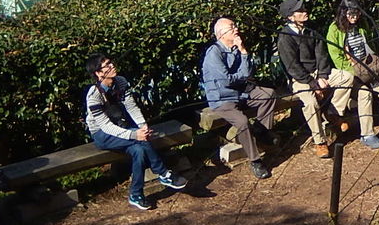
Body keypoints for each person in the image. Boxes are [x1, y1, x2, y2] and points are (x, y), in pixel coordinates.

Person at [83, 54, 186, 211]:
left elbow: (131, 107)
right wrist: (134, 134)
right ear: (98, 73)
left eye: (111, 62)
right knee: (140, 141)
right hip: (102, 134)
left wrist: (142, 126)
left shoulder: (121, 82)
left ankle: (136, 194)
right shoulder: (94, 95)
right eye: (107, 65)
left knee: (139, 150)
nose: (112, 66)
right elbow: (105, 126)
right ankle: (163, 173)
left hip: (121, 127)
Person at [276, 0, 355, 158]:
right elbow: (293, 68)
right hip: (300, 80)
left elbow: (322, 56)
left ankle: (334, 113)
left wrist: (322, 76)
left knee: (346, 77)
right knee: (310, 103)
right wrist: (314, 84)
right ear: (291, 17)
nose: (305, 11)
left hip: (318, 74)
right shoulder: (285, 38)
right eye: (300, 10)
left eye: (304, 9)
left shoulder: (312, 32)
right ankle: (320, 142)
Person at [201, 17, 279, 179]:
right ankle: (255, 161)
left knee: (268, 94)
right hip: (222, 99)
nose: (236, 29)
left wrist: (243, 52)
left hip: (241, 93)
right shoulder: (213, 53)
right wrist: (243, 75)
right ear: (222, 34)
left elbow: (248, 72)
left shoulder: (237, 48)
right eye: (232, 27)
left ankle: (261, 132)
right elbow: (226, 80)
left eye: (235, 25)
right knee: (242, 122)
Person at [326, 0, 379, 149]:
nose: (355, 17)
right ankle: (367, 134)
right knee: (364, 94)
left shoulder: (363, 25)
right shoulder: (334, 29)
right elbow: (336, 57)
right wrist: (353, 71)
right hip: (351, 71)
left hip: (368, 67)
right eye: (351, 14)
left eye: (357, 14)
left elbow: (371, 45)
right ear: (343, 13)